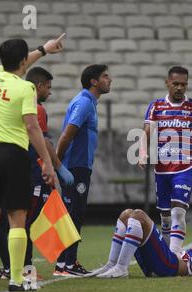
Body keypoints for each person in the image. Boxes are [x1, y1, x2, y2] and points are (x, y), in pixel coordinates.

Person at [0, 35, 65, 292]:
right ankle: (16, 280)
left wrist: (44, 50)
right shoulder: (26, 89)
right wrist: (46, 162)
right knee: (16, 219)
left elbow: (19, 63)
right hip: (14, 155)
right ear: (23, 61)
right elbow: (32, 127)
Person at [139, 66, 192, 258]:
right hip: (161, 171)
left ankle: (174, 257)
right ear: (167, 83)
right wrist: (143, 152)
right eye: (175, 84)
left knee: (178, 212)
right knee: (165, 218)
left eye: (183, 84)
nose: (179, 88)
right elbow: (146, 133)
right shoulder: (156, 106)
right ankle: (167, 254)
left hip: (184, 169)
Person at [54, 64, 111, 277]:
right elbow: (67, 134)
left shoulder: (89, 102)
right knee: (74, 213)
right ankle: (68, 264)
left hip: (79, 166)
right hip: (75, 167)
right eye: (105, 76)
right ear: (94, 81)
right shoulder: (85, 103)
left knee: (72, 213)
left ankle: (64, 263)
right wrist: (57, 165)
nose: (109, 80)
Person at [88, 208, 192, 278]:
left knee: (138, 215)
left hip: (170, 265)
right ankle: (112, 265)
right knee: (126, 214)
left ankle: (121, 268)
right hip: (167, 262)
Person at [24, 67, 74, 275]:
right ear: (39, 86)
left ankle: (14, 266)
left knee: (24, 218)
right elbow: (43, 141)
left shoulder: (21, 106)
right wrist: (58, 167)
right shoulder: (37, 109)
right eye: (49, 88)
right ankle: (26, 267)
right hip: (35, 172)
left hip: (22, 170)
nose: (50, 92)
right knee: (31, 219)